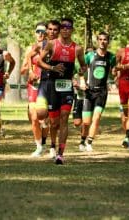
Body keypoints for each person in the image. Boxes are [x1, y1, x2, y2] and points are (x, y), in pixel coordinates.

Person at [36, 18, 87, 164]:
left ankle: (60, 153)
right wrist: (52, 68)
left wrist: (80, 72)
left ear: (72, 29)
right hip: (52, 85)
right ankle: (52, 144)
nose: (65, 29)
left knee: (64, 117)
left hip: (66, 86)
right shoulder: (52, 44)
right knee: (54, 122)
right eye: (63, 27)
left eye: (68, 27)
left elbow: (83, 65)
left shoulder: (77, 48)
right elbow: (39, 61)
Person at [29, 19, 61, 158]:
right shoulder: (38, 46)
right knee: (38, 114)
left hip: (56, 84)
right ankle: (40, 145)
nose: (45, 33)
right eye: (41, 31)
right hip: (42, 83)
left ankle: (53, 146)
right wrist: (30, 70)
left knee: (54, 120)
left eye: (54, 30)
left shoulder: (61, 45)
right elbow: (31, 59)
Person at [82, 31, 116, 152]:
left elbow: (114, 72)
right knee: (86, 122)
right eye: (100, 39)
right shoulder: (90, 55)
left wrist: (114, 76)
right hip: (89, 91)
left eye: (105, 39)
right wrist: (81, 80)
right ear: (97, 41)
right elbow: (80, 69)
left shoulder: (111, 57)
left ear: (108, 41)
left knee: (96, 118)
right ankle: (82, 140)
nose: (102, 42)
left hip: (102, 92)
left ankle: (89, 142)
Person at [20, 22, 50, 157]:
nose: (41, 34)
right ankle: (38, 146)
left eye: (43, 32)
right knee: (34, 117)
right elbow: (22, 69)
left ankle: (44, 142)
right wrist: (28, 71)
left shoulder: (50, 47)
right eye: (38, 31)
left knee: (45, 119)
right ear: (35, 32)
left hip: (47, 86)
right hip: (33, 86)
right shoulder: (29, 49)